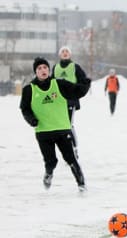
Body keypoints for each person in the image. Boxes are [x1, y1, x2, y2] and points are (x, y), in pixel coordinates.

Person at [20, 57, 91, 191]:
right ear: (35, 72)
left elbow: (76, 91)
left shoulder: (59, 84)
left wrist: (86, 83)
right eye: (39, 68)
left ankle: (81, 184)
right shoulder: (29, 89)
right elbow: (25, 108)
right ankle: (48, 174)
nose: (43, 70)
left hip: (62, 130)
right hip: (43, 132)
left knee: (71, 159)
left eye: (45, 67)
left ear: (48, 69)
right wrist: (31, 120)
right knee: (51, 161)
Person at [52, 46, 89, 157]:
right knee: (60, 126)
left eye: (67, 51)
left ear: (70, 54)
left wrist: (76, 91)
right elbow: (51, 84)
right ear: (59, 54)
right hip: (58, 102)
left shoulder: (75, 67)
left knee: (68, 125)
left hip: (71, 101)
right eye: (62, 51)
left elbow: (84, 81)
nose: (65, 53)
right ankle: (66, 149)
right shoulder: (55, 68)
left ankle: (74, 148)